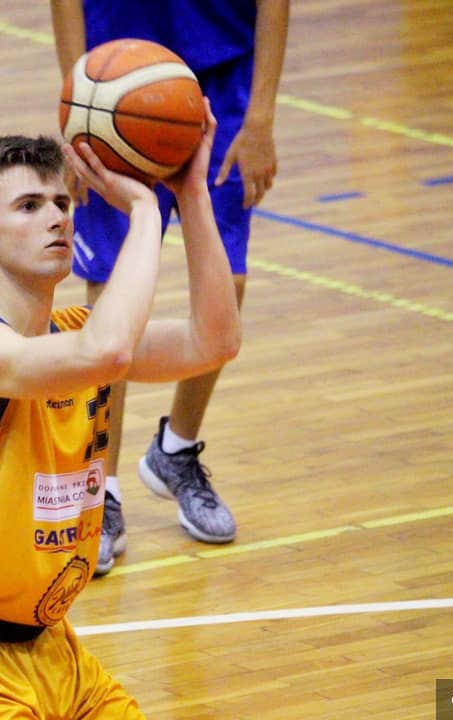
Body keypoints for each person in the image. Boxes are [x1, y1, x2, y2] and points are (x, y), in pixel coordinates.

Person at [0, 114, 240, 717]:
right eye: (29, 205)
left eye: (62, 202)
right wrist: (145, 212)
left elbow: (215, 341)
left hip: (50, 649)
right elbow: (108, 352)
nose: (57, 217)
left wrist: (191, 195)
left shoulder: (74, 333)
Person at [51, 0, 290, 575]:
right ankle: (100, 491)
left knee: (228, 281)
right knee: (112, 297)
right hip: (115, 82)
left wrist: (260, 118)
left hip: (218, 84)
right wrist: (79, 113)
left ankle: (176, 452)